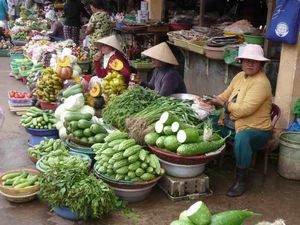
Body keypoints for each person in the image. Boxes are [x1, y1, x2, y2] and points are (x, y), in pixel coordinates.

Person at [205, 44, 272, 197]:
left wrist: (223, 104)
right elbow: (225, 96)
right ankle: (206, 162)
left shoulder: (262, 83)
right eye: (246, 60)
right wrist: (211, 100)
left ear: (261, 64)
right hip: (233, 123)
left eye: (254, 61)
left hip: (257, 130)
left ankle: (241, 180)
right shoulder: (239, 76)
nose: (249, 64)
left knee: (242, 137)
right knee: (209, 122)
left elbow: (245, 110)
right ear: (241, 62)